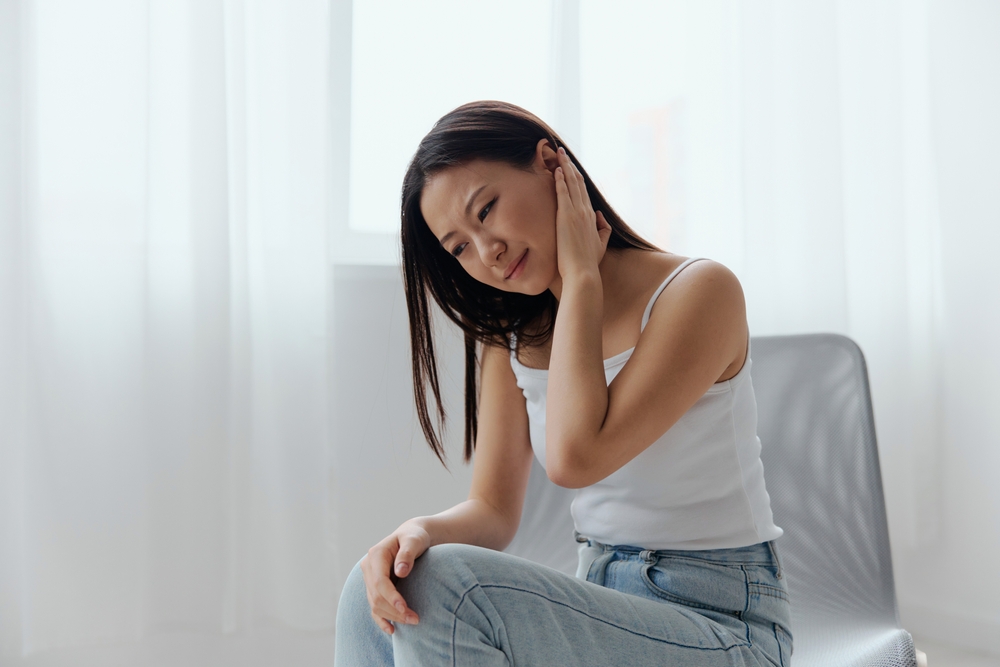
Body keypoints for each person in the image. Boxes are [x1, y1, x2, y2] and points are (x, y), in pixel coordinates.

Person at [334, 101, 792, 666]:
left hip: (724, 626)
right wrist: (414, 533)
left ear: (552, 164)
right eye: (459, 248)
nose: (487, 252)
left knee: (447, 586)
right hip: (602, 605)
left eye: (488, 209)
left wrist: (581, 278)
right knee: (372, 591)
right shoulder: (512, 337)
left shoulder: (699, 292)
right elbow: (493, 510)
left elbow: (576, 457)